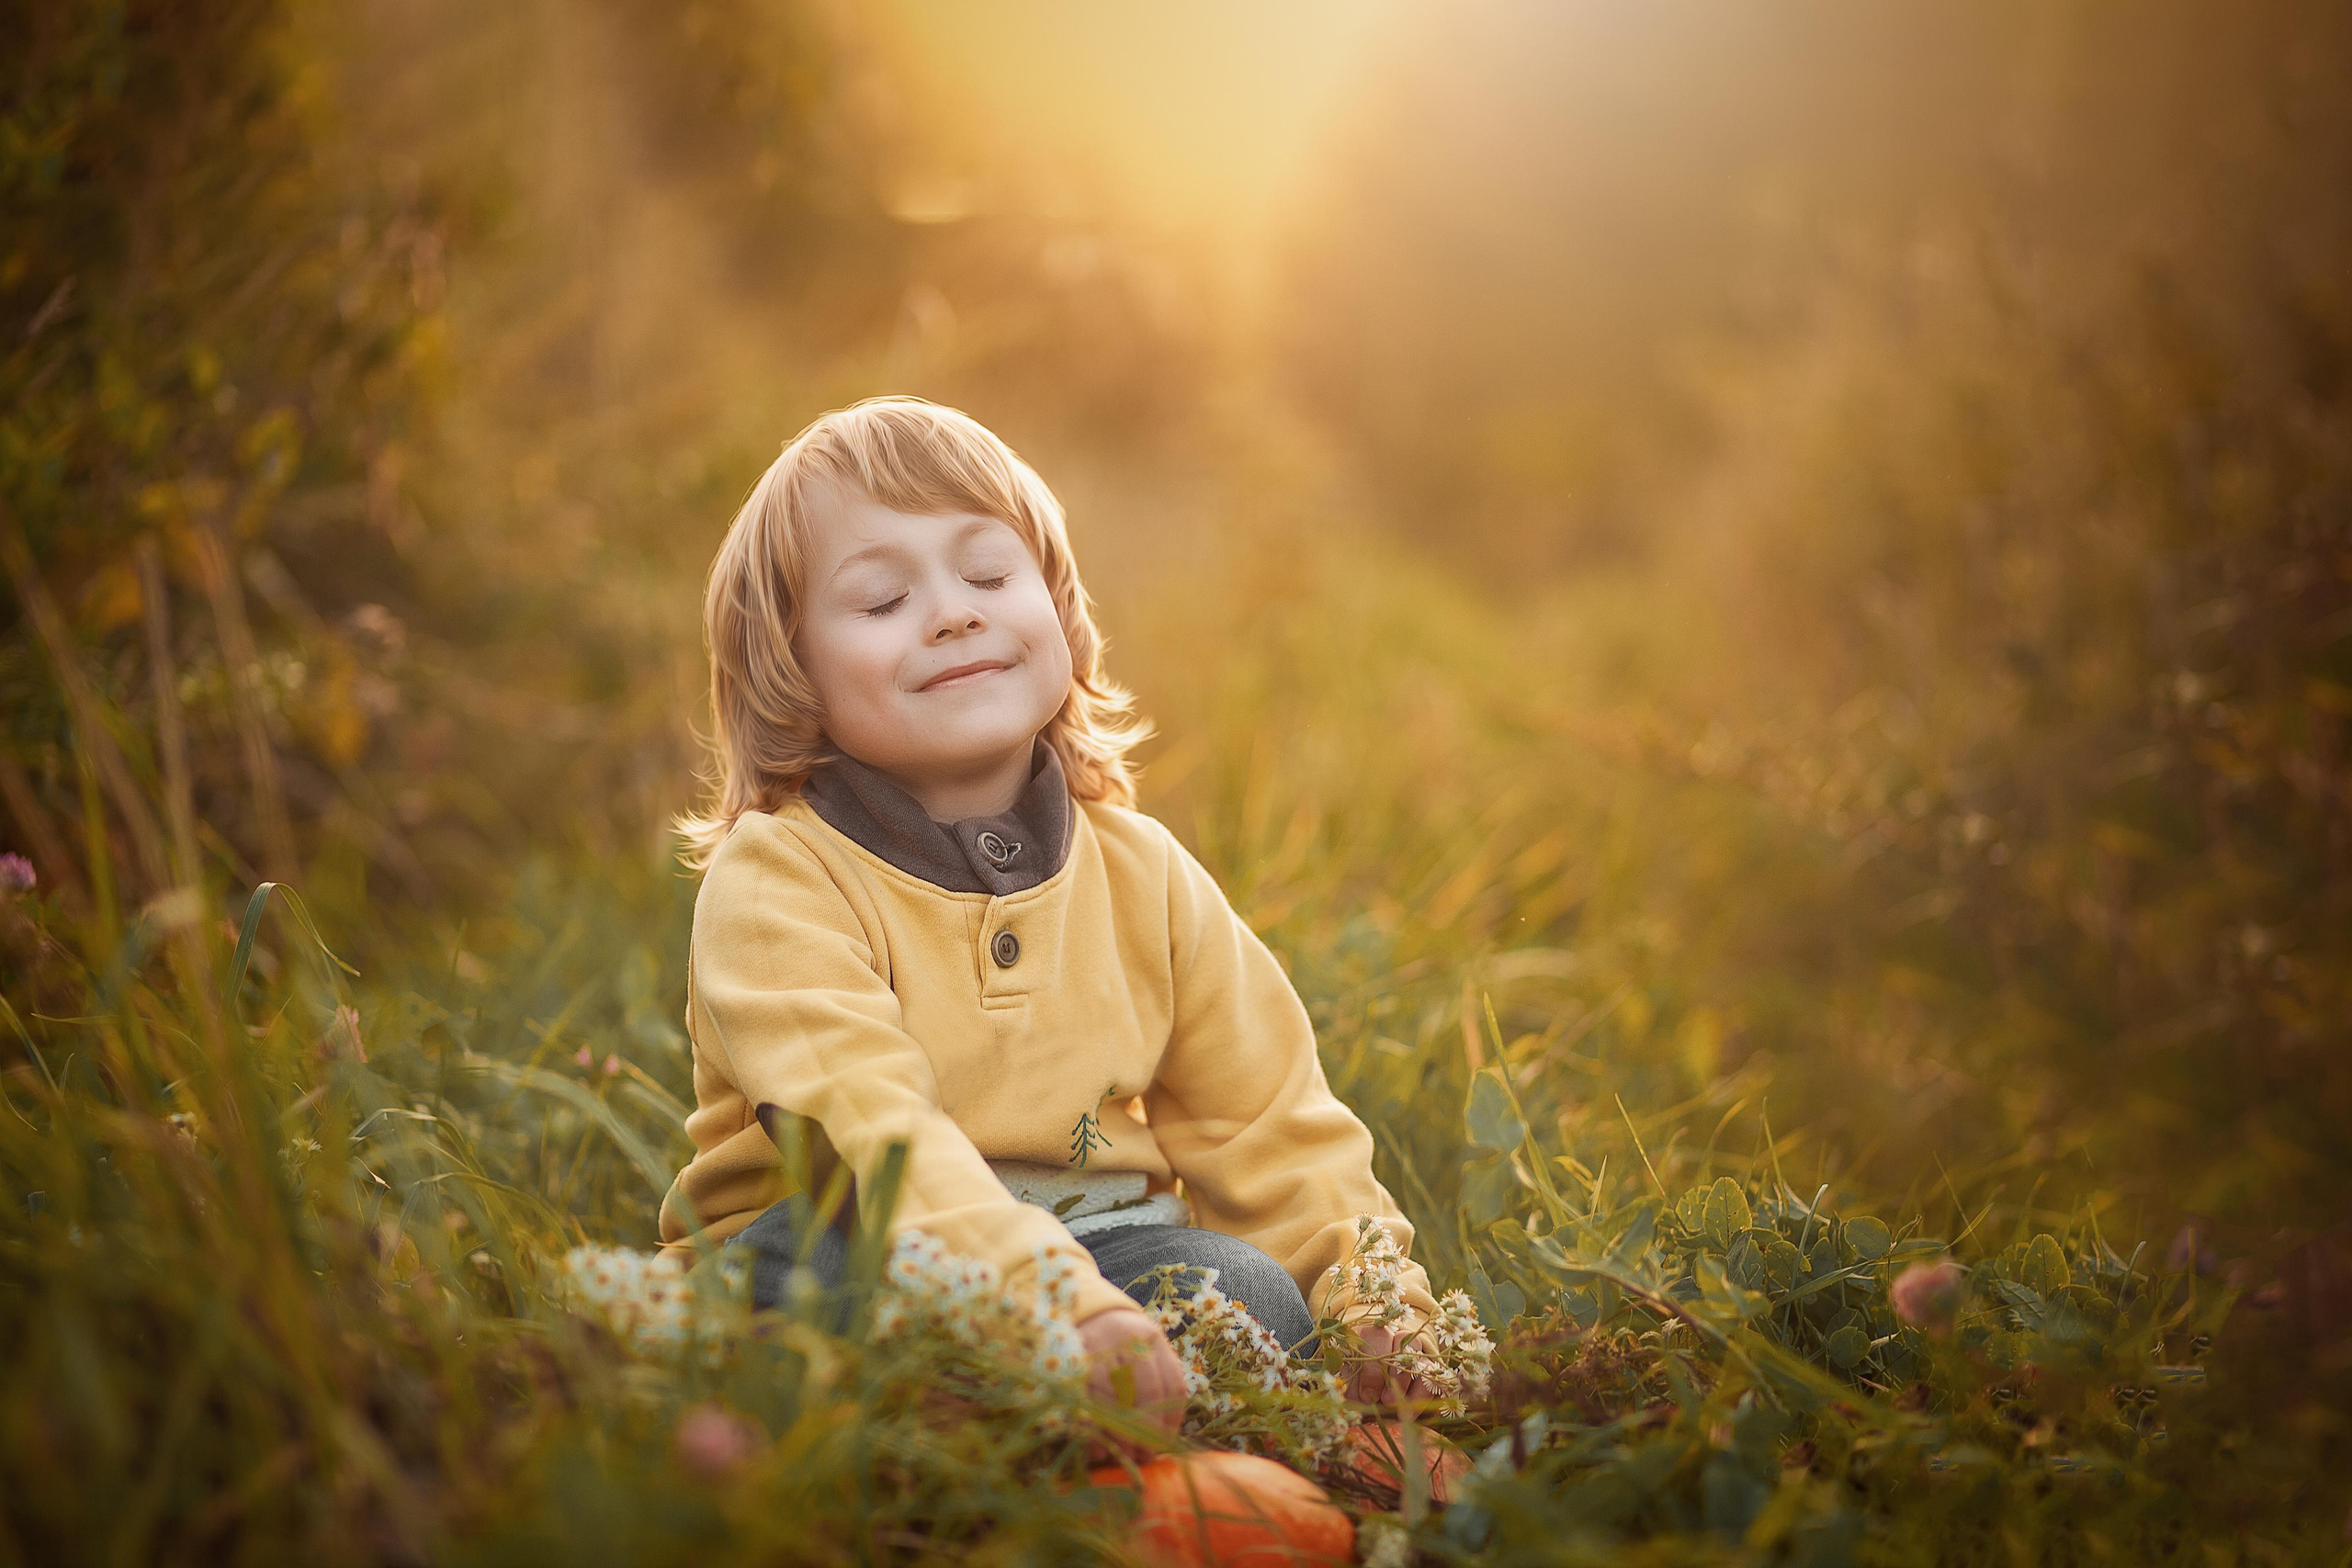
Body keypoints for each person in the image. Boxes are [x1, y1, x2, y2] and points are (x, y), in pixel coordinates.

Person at [660, 396, 1441, 1432]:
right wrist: (1044, 1306)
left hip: (1101, 1252)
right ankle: (921, 1428)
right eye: (883, 598)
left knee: (1248, 1295)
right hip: (851, 1234)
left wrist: (1373, 1308)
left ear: (1058, 610)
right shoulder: (780, 882)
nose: (953, 612)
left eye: (988, 574)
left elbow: (1269, 1125)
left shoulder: (1142, 873)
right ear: (790, 668)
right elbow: (869, 1132)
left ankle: (1039, 1426)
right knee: (801, 1289)